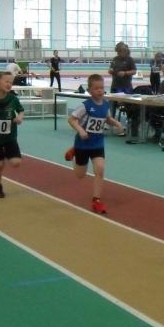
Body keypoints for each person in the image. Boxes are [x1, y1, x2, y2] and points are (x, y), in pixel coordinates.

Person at [64, 73, 124, 214]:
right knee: (80, 175)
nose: (100, 91)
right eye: (96, 88)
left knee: (100, 169)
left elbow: (107, 118)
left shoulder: (106, 104)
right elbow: (71, 119)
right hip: (83, 144)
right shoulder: (85, 106)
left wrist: (116, 123)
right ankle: (74, 152)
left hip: (97, 144)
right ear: (89, 90)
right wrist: (80, 130)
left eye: (102, 88)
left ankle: (96, 200)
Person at [108, 41, 137, 119]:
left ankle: (129, 119)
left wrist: (125, 73)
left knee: (128, 103)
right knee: (112, 103)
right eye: (118, 52)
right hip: (115, 85)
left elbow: (134, 71)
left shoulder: (130, 59)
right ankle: (111, 119)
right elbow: (111, 68)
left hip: (126, 86)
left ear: (125, 51)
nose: (119, 53)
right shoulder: (115, 59)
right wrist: (110, 70)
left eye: (121, 51)